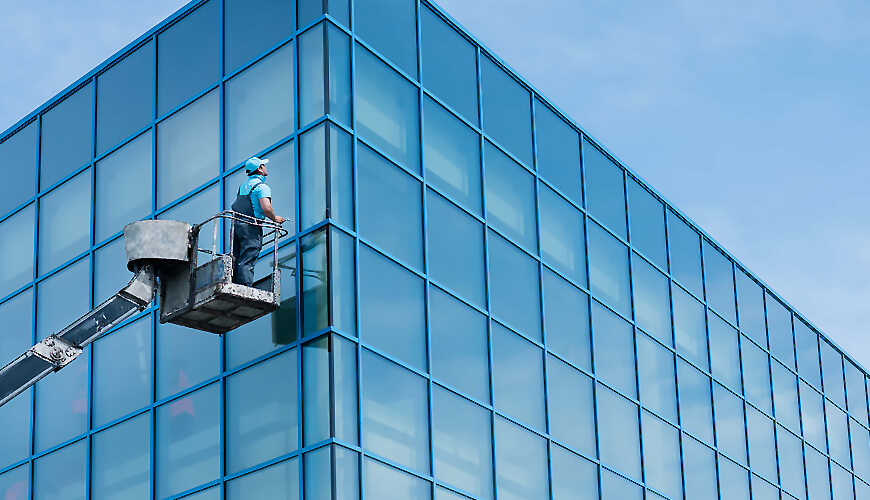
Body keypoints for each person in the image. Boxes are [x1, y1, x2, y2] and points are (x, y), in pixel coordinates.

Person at [231, 157, 285, 286]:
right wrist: (275, 218)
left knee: (236, 258)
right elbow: (266, 208)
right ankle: (244, 288)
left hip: (237, 225)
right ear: (260, 169)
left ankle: (233, 284)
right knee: (248, 258)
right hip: (251, 227)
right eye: (263, 165)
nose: (265, 167)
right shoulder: (262, 187)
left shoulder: (242, 186)